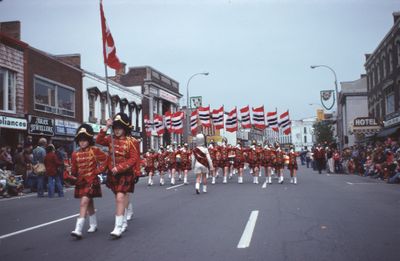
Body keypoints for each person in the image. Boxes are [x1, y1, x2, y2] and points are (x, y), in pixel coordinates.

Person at [96, 113, 140, 238]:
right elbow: (98, 140)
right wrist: (106, 126)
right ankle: (124, 221)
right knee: (118, 198)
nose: (117, 130)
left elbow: (133, 159)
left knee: (121, 197)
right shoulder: (110, 139)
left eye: (120, 127)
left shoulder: (132, 142)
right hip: (112, 173)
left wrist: (120, 168)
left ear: (125, 128)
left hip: (125, 173)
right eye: (115, 127)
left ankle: (118, 227)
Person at [70, 124, 107, 239]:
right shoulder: (75, 154)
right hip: (82, 182)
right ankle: (93, 224)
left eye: (85, 140)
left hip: (91, 180)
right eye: (80, 140)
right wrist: (70, 176)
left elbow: (106, 160)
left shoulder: (94, 150)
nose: (82, 142)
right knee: (89, 202)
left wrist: (98, 170)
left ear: (89, 140)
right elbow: (74, 171)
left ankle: (78, 229)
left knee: (84, 202)